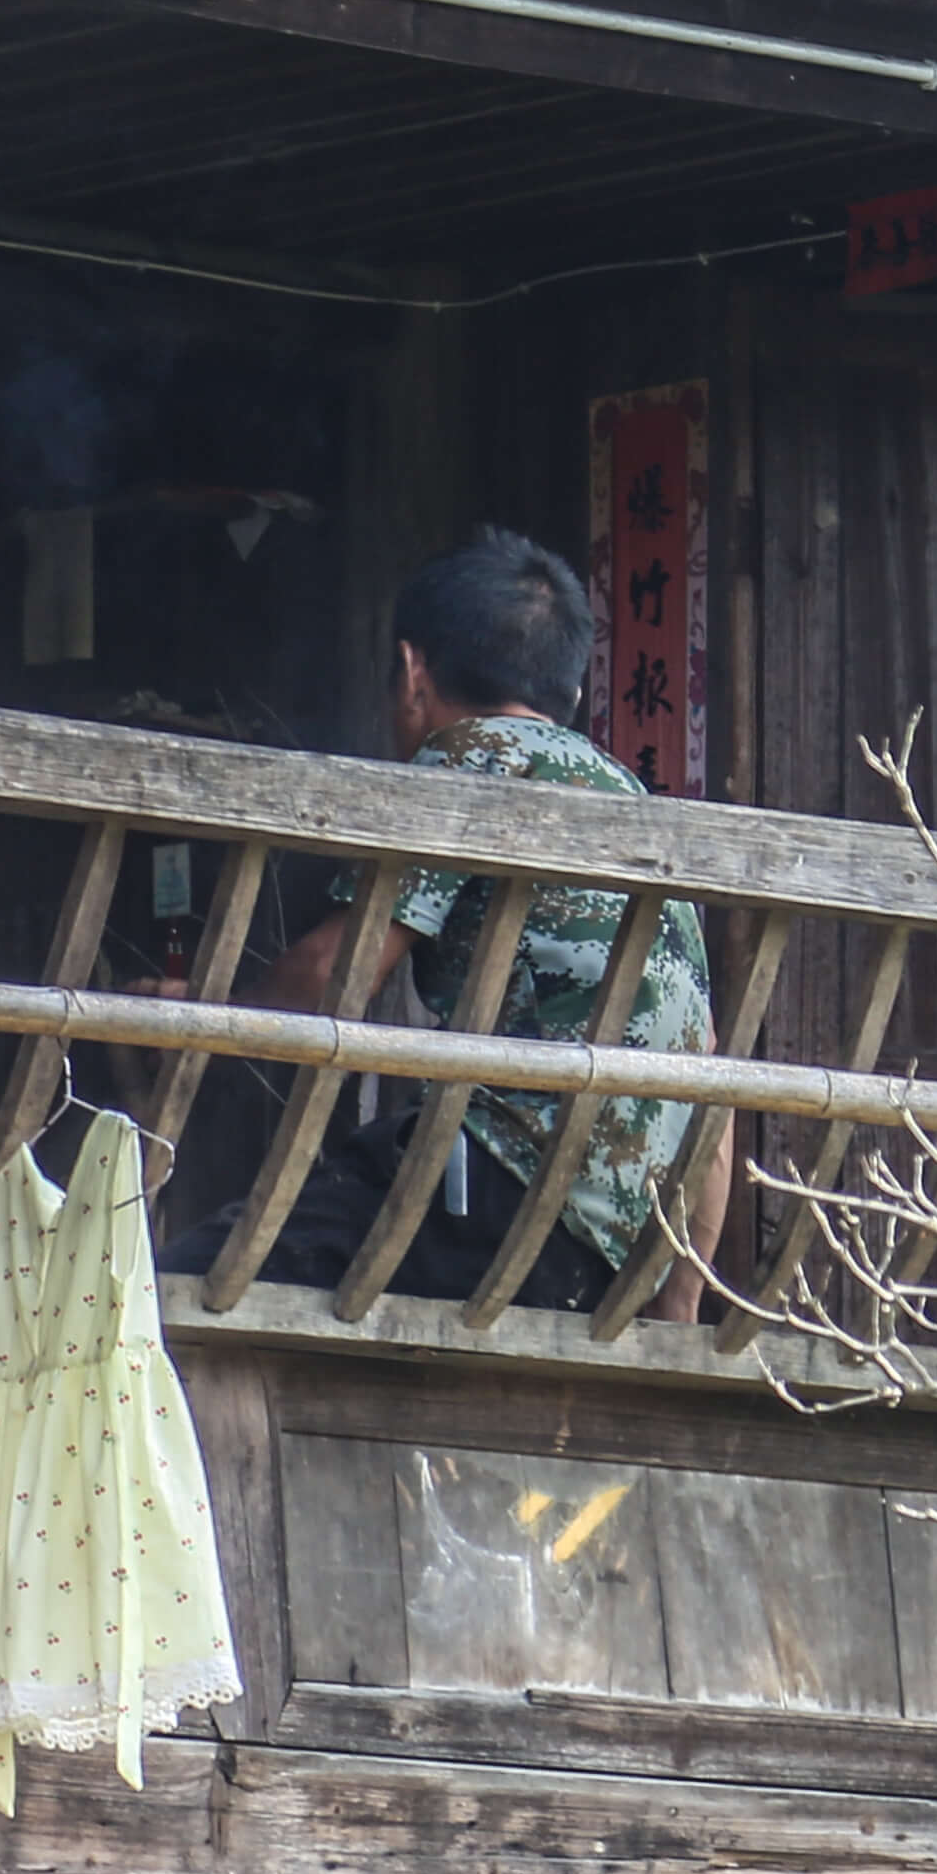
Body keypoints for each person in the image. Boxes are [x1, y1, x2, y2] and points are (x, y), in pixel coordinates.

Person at [231, 529, 716, 1307]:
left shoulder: (472, 756)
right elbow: (708, 1084)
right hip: (610, 1268)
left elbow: (337, 975)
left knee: (177, 1282)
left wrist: (199, 1022)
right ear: (572, 695)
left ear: (414, 674)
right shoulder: (638, 810)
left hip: (496, 1207)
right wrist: (676, 1311)